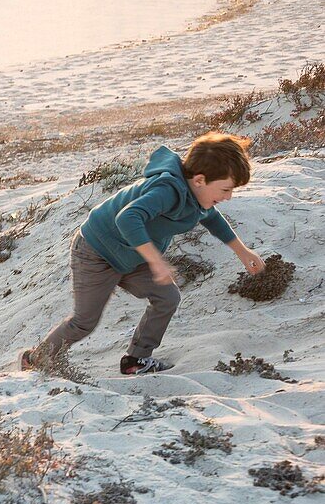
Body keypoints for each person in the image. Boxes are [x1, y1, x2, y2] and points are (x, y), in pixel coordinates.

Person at [21, 132, 264, 375]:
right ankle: (34, 358)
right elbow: (127, 218)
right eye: (225, 190)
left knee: (167, 297)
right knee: (84, 322)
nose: (228, 197)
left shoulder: (198, 198)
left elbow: (211, 219)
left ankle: (136, 359)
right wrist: (156, 261)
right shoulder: (167, 190)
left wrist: (242, 252)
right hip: (96, 251)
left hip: (133, 255)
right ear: (199, 180)